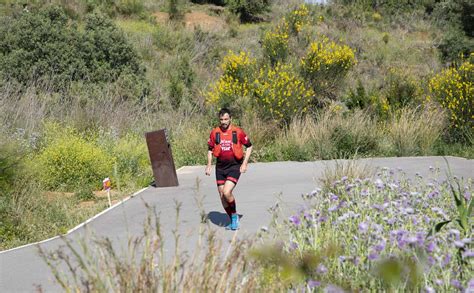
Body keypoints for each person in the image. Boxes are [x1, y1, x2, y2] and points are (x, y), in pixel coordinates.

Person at [205, 108, 253, 230]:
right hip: (220, 167)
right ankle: (232, 217)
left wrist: (245, 163)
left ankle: (234, 216)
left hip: (234, 166)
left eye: (226, 119)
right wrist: (209, 164)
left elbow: (249, 146)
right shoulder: (215, 132)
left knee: (227, 192)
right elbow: (210, 149)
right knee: (222, 196)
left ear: (230, 118)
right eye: (221, 119)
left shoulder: (238, 132)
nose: (224, 122)